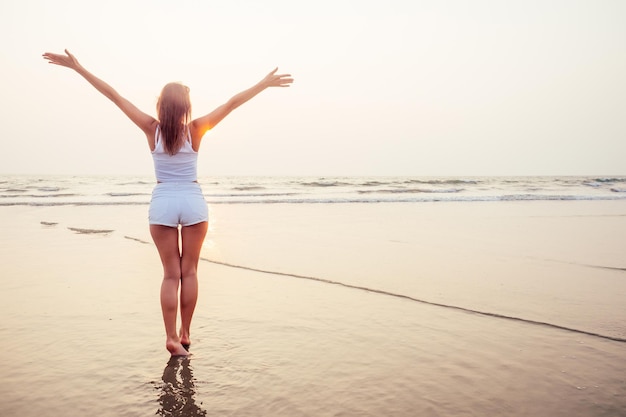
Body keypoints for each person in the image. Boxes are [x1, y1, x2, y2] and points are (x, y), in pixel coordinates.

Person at [42, 49, 293, 356]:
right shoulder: (197, 129)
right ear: (186, 107)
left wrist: (79, 68)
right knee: (190, 273)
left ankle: (171, 337)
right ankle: (186, 332)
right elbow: (232, 103)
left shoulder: (151, 129)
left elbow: (114, 96)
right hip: (192, 200)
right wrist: (262, 84)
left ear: (161, 105)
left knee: (170, 275)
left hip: (162, 201)